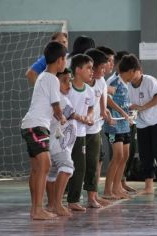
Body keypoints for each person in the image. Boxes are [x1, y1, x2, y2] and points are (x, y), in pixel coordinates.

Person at [20, 41, 67, 220]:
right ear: (60, 60)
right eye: (65, 59)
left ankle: (35, 209)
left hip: (32, 125)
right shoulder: (51, 78)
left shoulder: (43, 76)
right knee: (45, 165)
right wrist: (62, 117)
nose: (65, 63)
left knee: (37, 169)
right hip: (36, 126)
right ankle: (38, 209)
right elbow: (56, 106)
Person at [122, 54, 157, 195]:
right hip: (142, 123)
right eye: (128, 73)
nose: (131, 76)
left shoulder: (150, 81)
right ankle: (148, 186)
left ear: (138, 70)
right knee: (145, 155)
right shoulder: (127, 86)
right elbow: (129, 105)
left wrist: (142, 107)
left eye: (134, 72)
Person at [45, 68, 77, 217]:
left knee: (51, 174)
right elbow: (71, 115)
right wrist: (85, 118)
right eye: (64, 81)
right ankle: (58, 204)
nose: (68, 84)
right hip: (59, 143)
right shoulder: (59, 99)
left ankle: (51, 204)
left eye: (69, 80)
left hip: (56, 143)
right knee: (67, 167)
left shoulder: (60, 98)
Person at [103, 54, 134, 200]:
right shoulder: (114, 81)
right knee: (117, 156)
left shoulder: (126, 84)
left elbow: (124, 102)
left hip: (124, 124)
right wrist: (121, 111)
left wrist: (129, 113)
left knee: (125, 155)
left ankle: (117, 187)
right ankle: (108, 190)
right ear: (130, 71)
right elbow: (107, 100)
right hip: (114, 125)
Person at [66, 54, 95, 211]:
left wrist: (89, 117)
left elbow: (91, 107)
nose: (92, 71)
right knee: (62, 166)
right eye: (88, 68)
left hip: (81, 134)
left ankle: (73, 200)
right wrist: (79, 117)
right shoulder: (67, 88)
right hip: (65, 133)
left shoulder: (89, 91)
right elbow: (63, 108)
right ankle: (54, 199)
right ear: (77, 70)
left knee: (80, 167)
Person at [84, 48, 111, 208]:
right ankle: (69, 197)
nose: (104, 72)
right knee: (78, 165)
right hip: (80, 131)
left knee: (94, 164)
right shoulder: (81, 83)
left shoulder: (101, 82)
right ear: (92, 68)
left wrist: (104, 111)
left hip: (94, 129)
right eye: (102, 68)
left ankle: (92, 196)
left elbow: (101, 100)